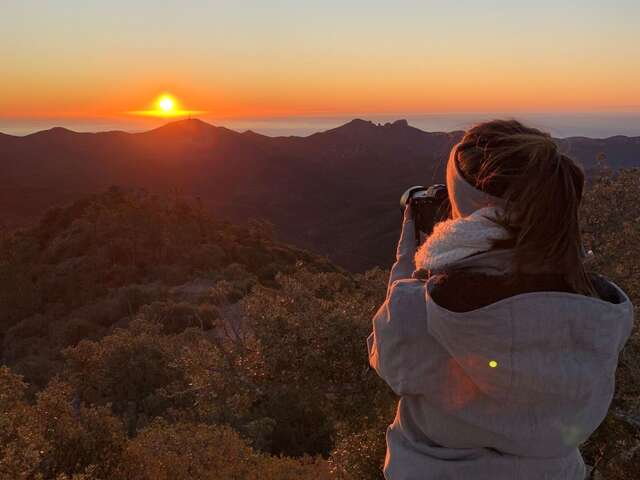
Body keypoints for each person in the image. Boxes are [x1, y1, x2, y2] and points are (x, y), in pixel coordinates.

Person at [367, 120, 633, 480]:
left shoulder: (427, 306)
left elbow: (388, 358)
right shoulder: (605, 309)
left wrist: (410, 262)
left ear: (466, 202)